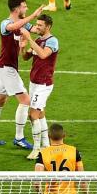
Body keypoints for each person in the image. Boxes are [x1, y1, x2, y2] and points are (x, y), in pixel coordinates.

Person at [0, 0, 46, 149]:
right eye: (25, 6)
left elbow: (36, 30)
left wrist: (44, 25)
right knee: (25, 100)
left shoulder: (23, 24)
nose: (27, 9)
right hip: (6, 68)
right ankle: (19, 138)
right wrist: (32, 17)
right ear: (17, 9)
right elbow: (12, 28)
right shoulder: (5, 23)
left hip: (5, 66)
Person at [20, 14, 59, 159]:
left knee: (33, 114)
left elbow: (43, 55)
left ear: (48, 27)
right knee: (40, 113)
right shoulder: (37, 40)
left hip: (44, 84)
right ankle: (46, 146)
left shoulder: (52, 41)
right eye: (36, 24)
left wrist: (29, 38)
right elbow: (25, 57)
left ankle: (37, 150)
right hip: (34, 82)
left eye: (40, 25)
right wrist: (22, 47)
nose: (37, 27)